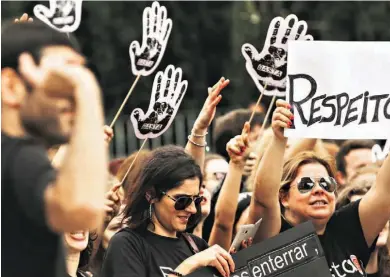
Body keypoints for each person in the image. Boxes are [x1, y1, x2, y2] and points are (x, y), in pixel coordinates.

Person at [246, 97, 390, 276]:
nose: (319, 190)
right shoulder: (273, 233)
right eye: (306, 185)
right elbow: (263, 199)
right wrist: (279, 139)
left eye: (327, 184)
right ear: (284, 197)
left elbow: (386, 191)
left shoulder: (349, 228)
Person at [2, 18, 108, 277]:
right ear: (12, 86)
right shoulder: (17, 155)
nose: (72, 93)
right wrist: (87, 91)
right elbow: (81, 211)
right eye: (63, 77)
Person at [101, 146, 235, 277]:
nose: (192, 209)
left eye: (196, 200)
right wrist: (190, 265)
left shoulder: (195, 245)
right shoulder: (127, 244)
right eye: (182, 200)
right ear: (151, 195)